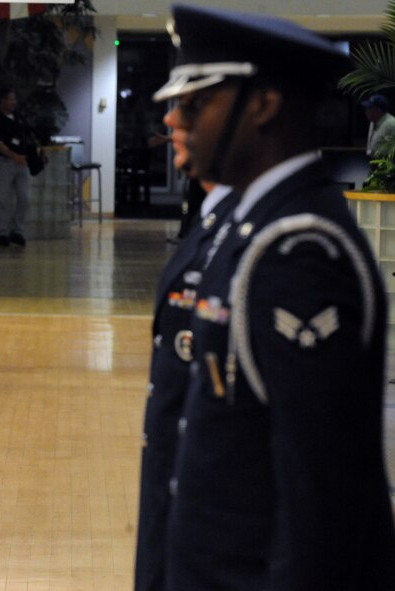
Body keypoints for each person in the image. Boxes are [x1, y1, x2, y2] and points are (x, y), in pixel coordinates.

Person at [150, 5, 395, 589]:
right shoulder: (251, 227)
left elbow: (320, 496)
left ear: (262, 106)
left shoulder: (299, 249)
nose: (174, 118)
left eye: (195, 102)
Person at [134, 103, 234, 591]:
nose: (171, 122)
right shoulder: (215, 224)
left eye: (192, 108)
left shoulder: (285, 241)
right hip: (184, 500)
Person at [0, 88, 33, 247]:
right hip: (2, 162)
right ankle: (2, 232)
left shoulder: (19, 117)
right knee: (1, 198)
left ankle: (17, 230)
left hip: (22, 163)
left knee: (24, 197)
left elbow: (28, 137)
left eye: (14, 100)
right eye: (10, 99)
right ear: (2, 101)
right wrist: (13, 155)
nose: (13, 103)